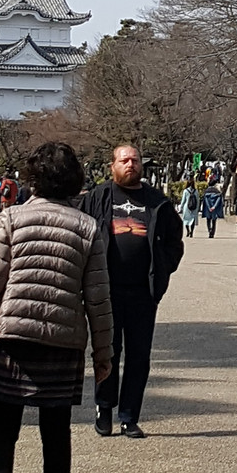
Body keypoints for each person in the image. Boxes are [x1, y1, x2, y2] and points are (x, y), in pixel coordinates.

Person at [0, 142, 113, 473]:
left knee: (3, 429)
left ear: (32, 177)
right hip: (62, 340)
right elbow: (98, 299)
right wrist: (102, 356)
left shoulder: (12, 218)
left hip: (11, 336)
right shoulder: (87, 228)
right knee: (56, 432)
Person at [82, 144, 184, 438]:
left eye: (135, 160)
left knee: (139, 355)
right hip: (106, 291)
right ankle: (104, 408)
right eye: (124, 160)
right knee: (107, 352)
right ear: (112, 165)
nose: (130, 164)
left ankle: (129, 416)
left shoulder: (156, 202)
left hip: (143, 292)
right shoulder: (97, 198)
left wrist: (161, 270)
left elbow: (174, 242)